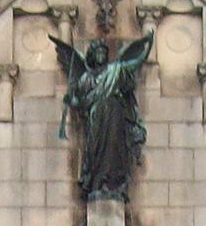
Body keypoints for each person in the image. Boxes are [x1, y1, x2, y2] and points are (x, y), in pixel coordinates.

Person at [53, 32, 154, 201]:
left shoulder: (115, 69)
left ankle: (114, 184)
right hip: (95, 120)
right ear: (93, 55)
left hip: (114, 115)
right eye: (98, 52)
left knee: (115, 149)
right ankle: (96, 182)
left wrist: (148, 46)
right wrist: (72, 100)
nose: (101, 55)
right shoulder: (86, 78)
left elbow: (136, 63)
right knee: (94, 150)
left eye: (104, 52)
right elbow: (80, 102)